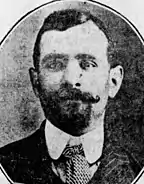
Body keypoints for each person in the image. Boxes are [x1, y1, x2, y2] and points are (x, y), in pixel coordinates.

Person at [0, 8, 142, 184]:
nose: (71, 79)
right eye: (54, 64)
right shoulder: (5, 166)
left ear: (113, 81)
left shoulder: (137, 170)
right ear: (36, 82)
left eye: (88, 64)